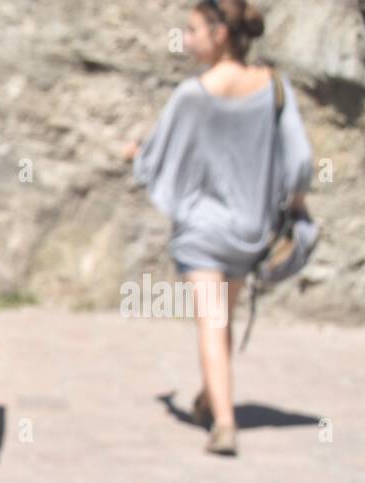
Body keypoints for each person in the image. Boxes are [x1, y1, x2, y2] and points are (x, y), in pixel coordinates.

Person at [126, 0, 313, 456]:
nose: (185, 42)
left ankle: (224, 424)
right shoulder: (274, 87)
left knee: (211, 322)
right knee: (220, 319)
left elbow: (157, 156)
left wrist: (134, 154)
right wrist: (295, 204)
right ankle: (212, 397)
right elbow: (302, 161)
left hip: (203, 230)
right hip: (252, 230)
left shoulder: (194, 94)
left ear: (219, 34)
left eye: (192, 31)